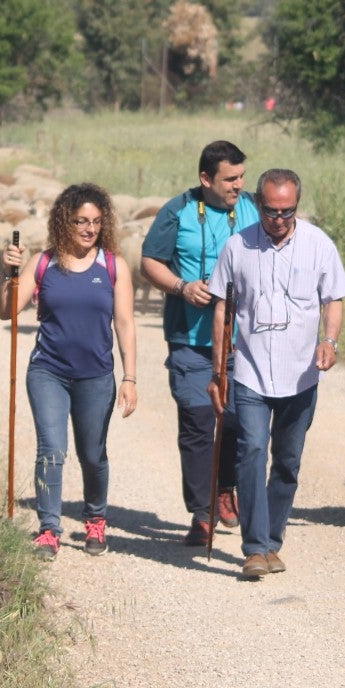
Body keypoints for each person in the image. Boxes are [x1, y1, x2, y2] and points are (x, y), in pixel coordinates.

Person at [207, 169, 345, 578]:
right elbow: (222, 309)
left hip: (301, 374)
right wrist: (220, 367)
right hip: (250, 371)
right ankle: (253, 549)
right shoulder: (237, 247)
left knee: (287, 461)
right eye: (271, 211)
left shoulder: (319, 245)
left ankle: (272, 541)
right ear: (257, 204)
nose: (279, 220)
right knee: (251, 451)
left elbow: (334, 298)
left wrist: (331, 341)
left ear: (297, 206)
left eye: (287, 212)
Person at [0, 183, 138, 561]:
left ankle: (95, 518)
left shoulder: (113, 265)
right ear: (65, 221)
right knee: (51, 451)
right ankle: (48, 529)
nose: (89, 229)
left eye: (95, 222)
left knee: (92, 455)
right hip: (49, 372)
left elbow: (124, 323)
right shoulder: (44, 263)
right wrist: (7, 275)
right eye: (80, 222)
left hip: (96, 376)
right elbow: (7, 311)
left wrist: (130, 377)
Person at [141, 140, 260, 545]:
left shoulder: (254, 209)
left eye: (242, 176)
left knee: (236, 421)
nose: (238, 185)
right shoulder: (177, 211)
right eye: (230, 178)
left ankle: (225, 486)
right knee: (196, 421)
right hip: (189, 339)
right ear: (205, 178)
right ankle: (202, 511)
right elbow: (149, 262)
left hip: (241, 340)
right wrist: (182, 286)